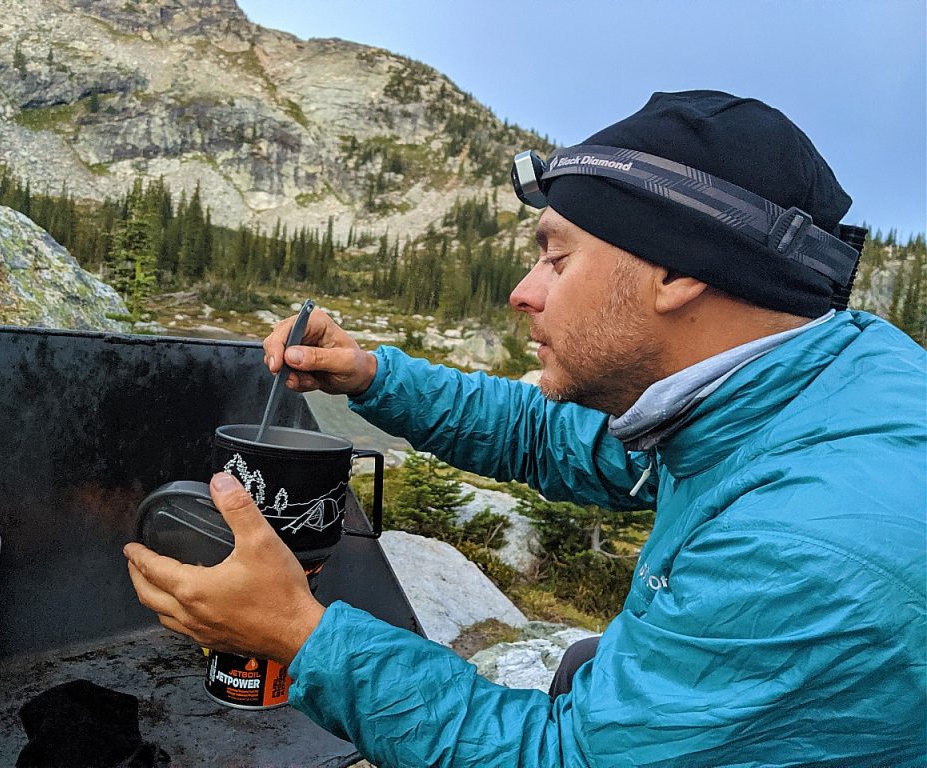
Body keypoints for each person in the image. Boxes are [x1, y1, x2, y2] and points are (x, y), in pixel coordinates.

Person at [124, 91, 926, 766]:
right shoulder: (792, 384)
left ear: (680, 273)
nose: (522, 291)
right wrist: (373, 377)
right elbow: (554, 440)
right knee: (583, 664)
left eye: (556, 257)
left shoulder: (808, 544)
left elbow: (564, 760)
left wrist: (302, 637)